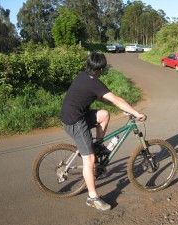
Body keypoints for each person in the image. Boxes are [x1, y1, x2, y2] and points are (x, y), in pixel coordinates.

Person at [61, 52, 146, 211]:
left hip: (74, 114)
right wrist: (135, 113)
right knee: (90, 159)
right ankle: (92, 198)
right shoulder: (95, 83)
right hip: (75, 120)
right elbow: (116, 99)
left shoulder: (83, 76)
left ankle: (98, 145)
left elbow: (102, 98)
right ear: (100, 69)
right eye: (103, 68)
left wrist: (120, 108)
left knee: (104, 115)